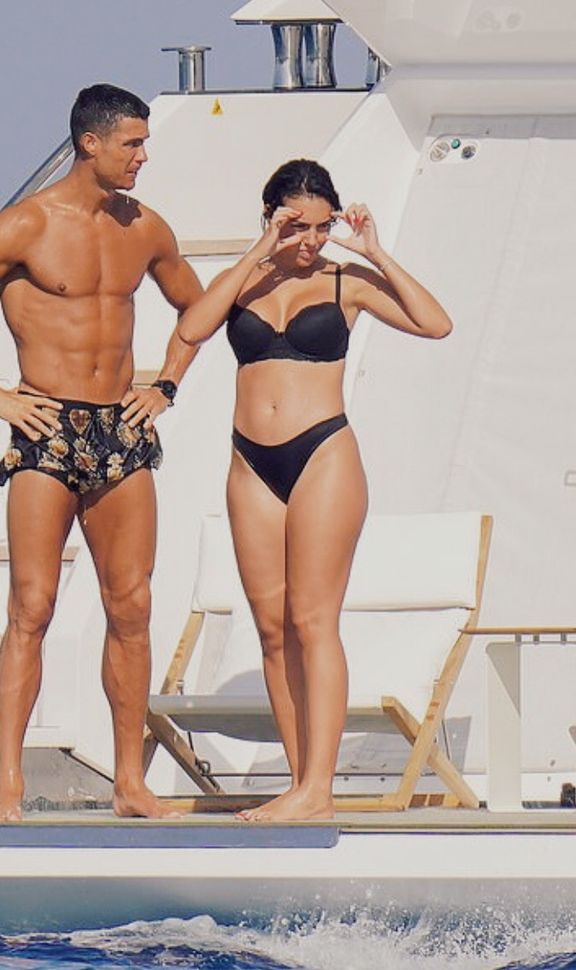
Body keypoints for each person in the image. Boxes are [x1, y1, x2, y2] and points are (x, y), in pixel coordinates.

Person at [0, 83, 203, 820]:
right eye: (133, 143)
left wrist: (166, 384)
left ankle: (131, 785)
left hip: (121, 430)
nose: (144, 155)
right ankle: (7, 784)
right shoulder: (27, 224)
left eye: (144, 142)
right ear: (91, 143)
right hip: (47, 430)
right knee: (32, 606)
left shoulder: (145, 228)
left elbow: (196, 309)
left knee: (131, 606)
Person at [177, 159, 452, 822]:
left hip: (323, 452)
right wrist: (257, 252)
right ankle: (301, 786)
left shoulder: (345, 281)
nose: (310, 239)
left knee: (312, 620)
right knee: (272, 630)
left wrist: (375, 252)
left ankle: (317, 790)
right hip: (251, 464)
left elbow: (435, 323)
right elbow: (191, 329)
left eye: (321, 227)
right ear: (273, 218)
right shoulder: (246, 281)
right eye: (298, 226)